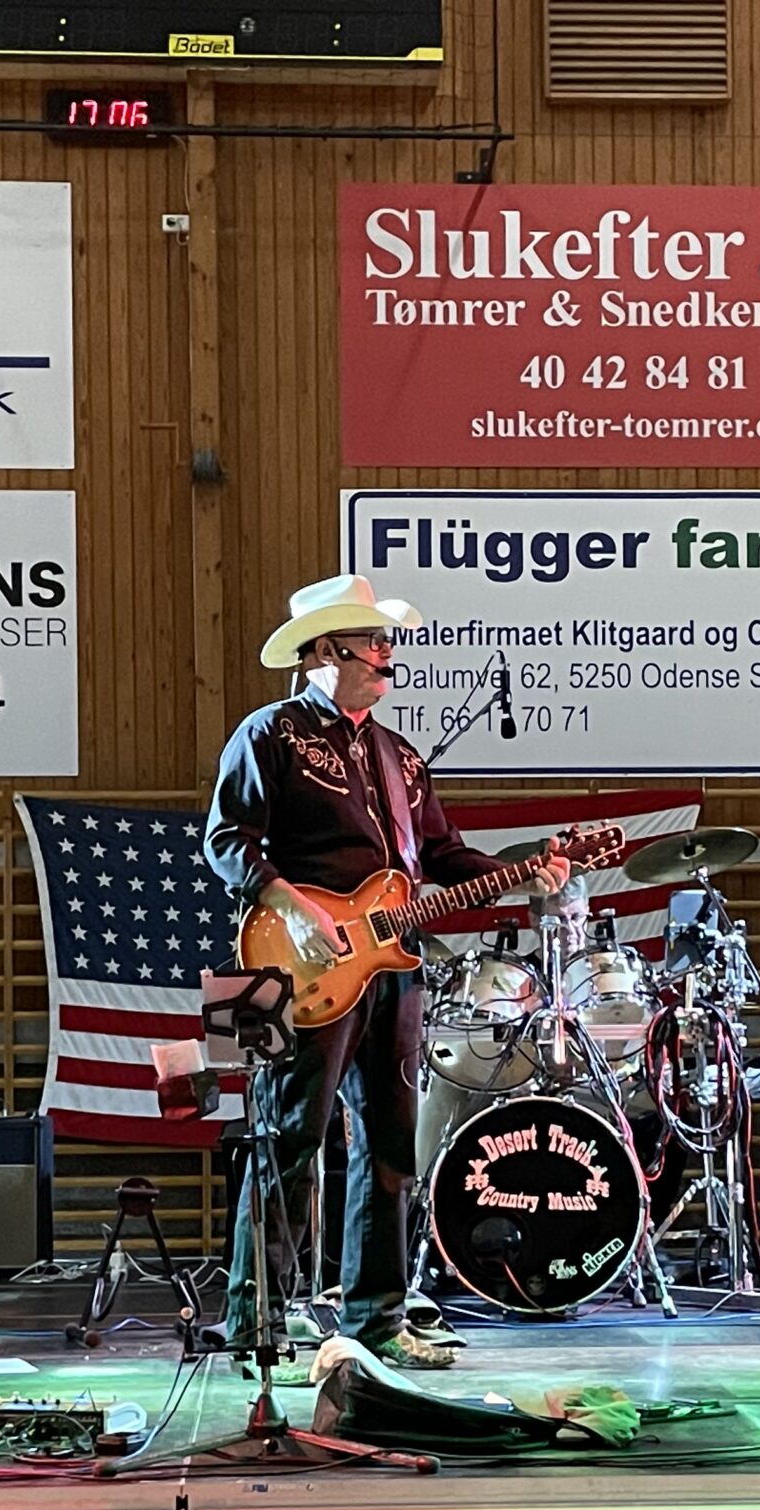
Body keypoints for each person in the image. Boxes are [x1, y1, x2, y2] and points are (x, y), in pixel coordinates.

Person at [205, 574, 567, 1370]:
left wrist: (523, 873)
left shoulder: (399, 755)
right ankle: (253, 1326)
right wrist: (299, 908)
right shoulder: (267, 733)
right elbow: (224, 841)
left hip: (389, 969)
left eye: (385, 640)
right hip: (278, 960)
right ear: (321, 653)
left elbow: (440, 855)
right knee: (282, 1140)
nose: (386, 653)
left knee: (392, 1147)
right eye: (371, 642)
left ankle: (376, 1322)